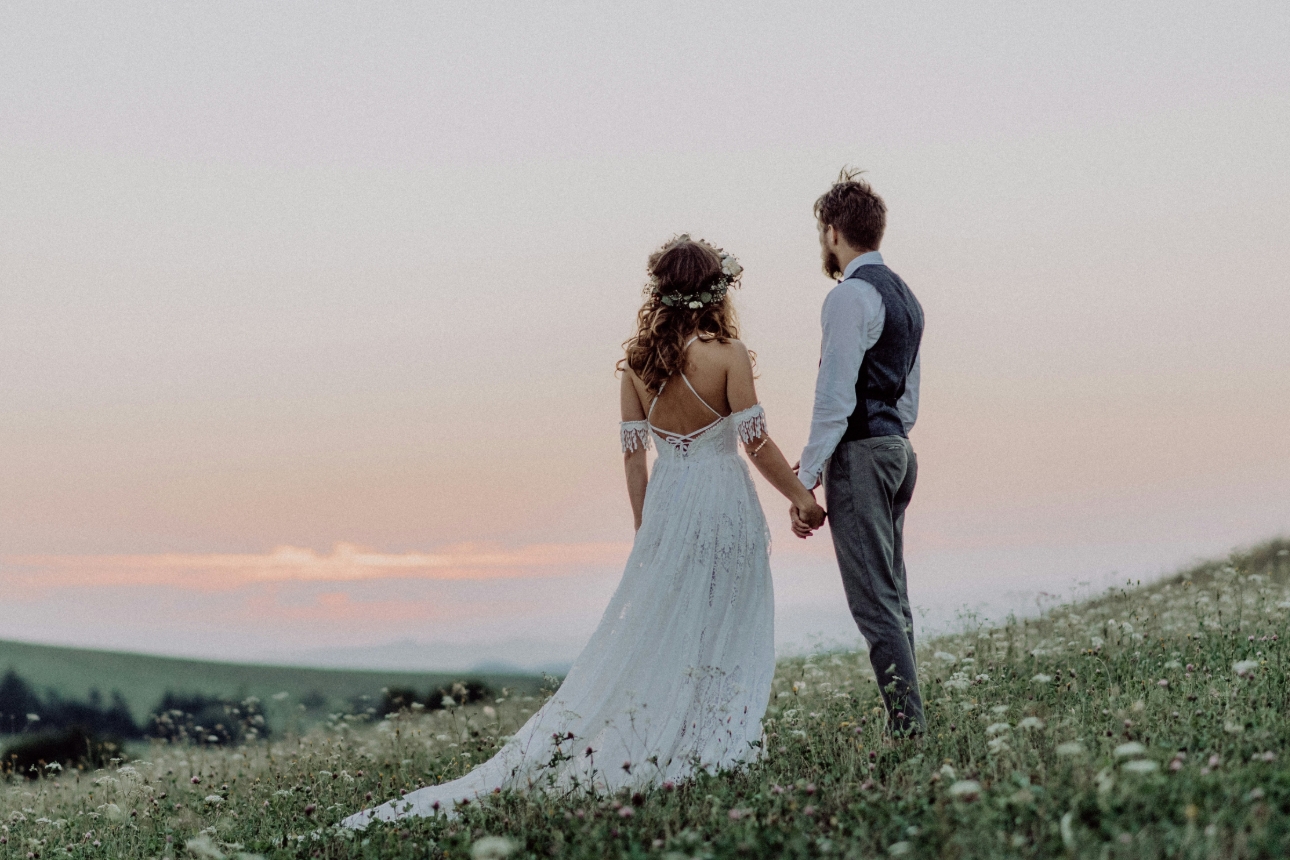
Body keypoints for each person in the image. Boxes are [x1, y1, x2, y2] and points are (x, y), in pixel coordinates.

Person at [343, 235, 823, 828]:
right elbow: (755, 443)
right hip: (722, 504)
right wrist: (801, 496)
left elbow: (633, 460)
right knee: (725, 619)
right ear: (717, 291)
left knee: (670, 627)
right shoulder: (729, 354)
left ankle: (672, 740)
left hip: (670, 508)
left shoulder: (637, 368)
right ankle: (713, 743)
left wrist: (648, 532)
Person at [791, 170, 926, 737]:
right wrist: (890, 437)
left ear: (832, 232)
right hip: (898, 448)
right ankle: (911, 719)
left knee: (873, 602)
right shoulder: (907, 297)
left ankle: (908, 728)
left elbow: (834, 396)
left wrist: (807, 478)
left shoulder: (849, 296)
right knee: (893, 593)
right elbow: (910, 395)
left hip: (863, 455)